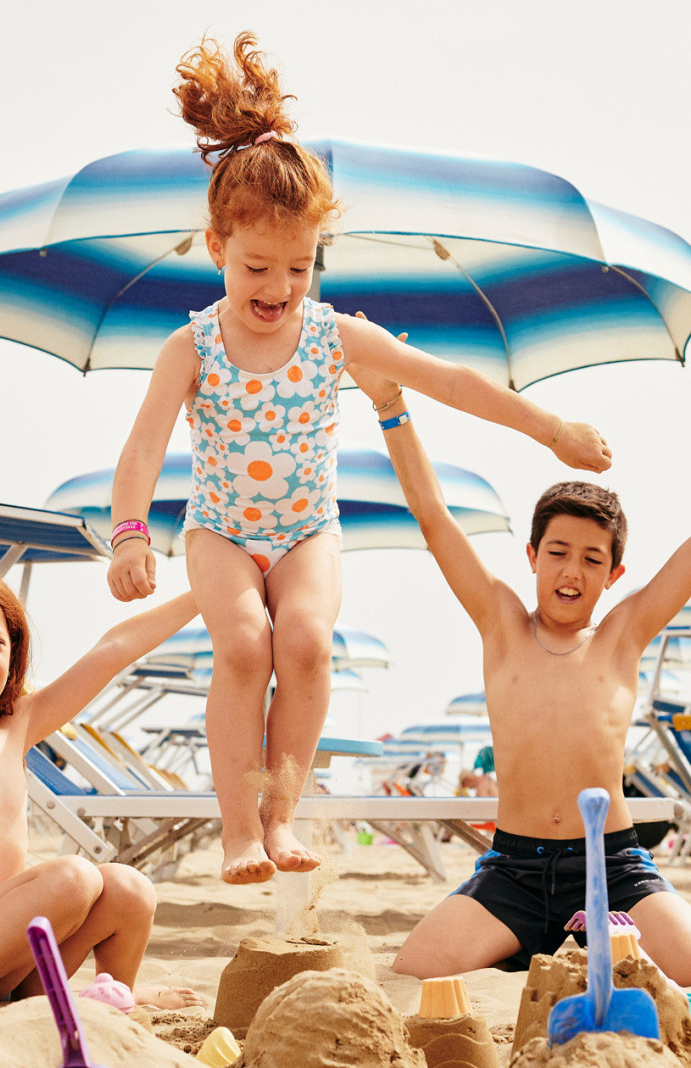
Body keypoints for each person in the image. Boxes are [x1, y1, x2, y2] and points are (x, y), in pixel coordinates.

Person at [107, 31, 612, 887]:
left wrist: (549, 429)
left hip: (308, 530)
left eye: (298, 268)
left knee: (302, 641)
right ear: (217, 245)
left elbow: (450, 381)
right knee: (242, 642)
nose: (277, 287)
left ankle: (282, 814)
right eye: (257, 266)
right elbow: (144, 446)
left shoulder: (333, 335)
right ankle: (238, 828)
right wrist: (128, 535)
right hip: (220, 530)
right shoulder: (188, 347)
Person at [351, 363, 691, 986]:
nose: (572, 570)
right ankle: (519, 945)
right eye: (558, 552)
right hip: (513, 870)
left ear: (614, 574)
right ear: (532, 557)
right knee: (412, 972)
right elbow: (433, 518)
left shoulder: (622, 635)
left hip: (613, 868)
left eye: (592, 559)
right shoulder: (503, 625)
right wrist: (390, 403)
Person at [0, 561, 204, 1010]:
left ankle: (113, 994)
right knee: (73, 875)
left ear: (14, 651)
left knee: (129, 887)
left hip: (16, 962)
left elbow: (114, 648)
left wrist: (205, 592)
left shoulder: (18, 726)